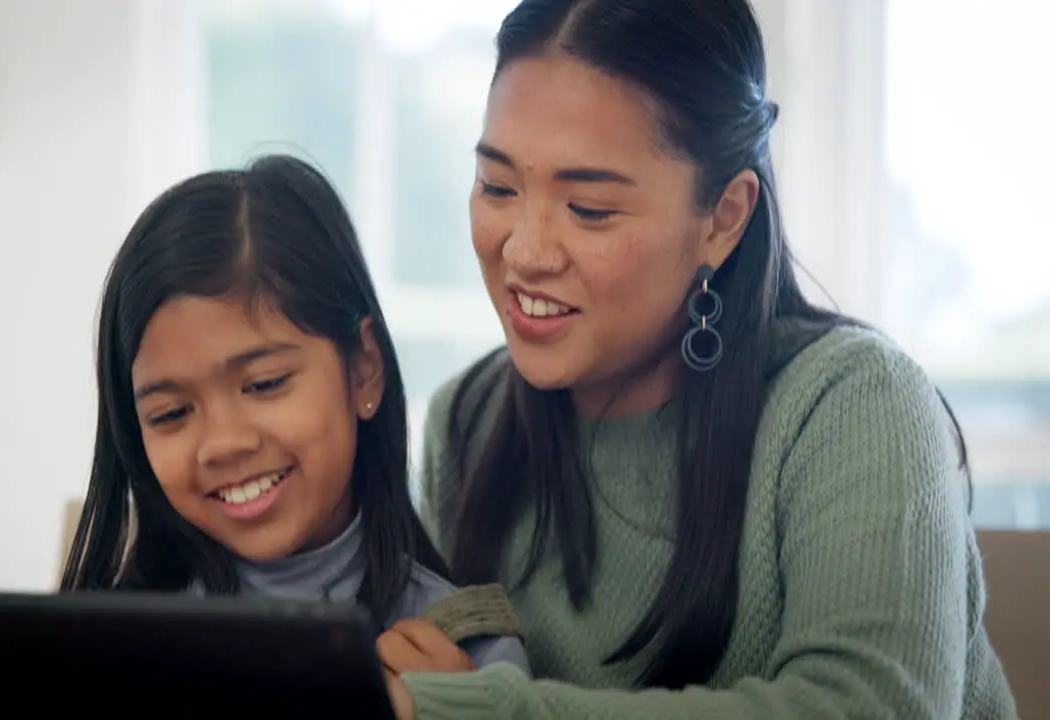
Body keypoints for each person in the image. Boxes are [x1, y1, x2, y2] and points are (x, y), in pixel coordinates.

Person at [383, 0, 1019, 718]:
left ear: (724, 218)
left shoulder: (855, 406)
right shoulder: (468, 420)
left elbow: (870, 707)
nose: (524, 252)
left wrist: (485, 712)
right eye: (498, 187)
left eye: (589, 208)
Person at [59, 154, 529, 674]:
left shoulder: (466, 656)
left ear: (363, 369)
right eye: (171, 414)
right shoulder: (112, 646)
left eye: (264, 384)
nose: (224, 442)